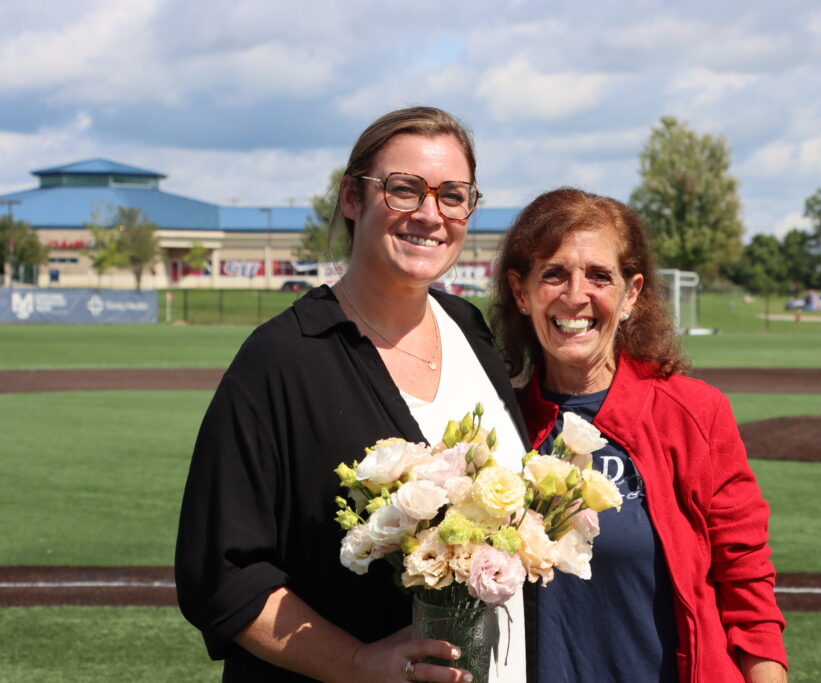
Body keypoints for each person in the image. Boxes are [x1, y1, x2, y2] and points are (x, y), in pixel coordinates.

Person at [176, 106, 529, 683]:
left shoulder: (469, 329)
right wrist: (358, 663)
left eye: (453, 196)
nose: (430, 214)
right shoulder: (281, 359)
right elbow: (223, 574)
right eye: (404, 190)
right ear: (351, 198)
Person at [490, 188, 788, 683]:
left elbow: (747, 586)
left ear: (631, 294)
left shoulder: (694, 413)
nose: (575, 295)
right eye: (554, 273)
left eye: (599, 276)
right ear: (521, 292)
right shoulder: (498, 427)